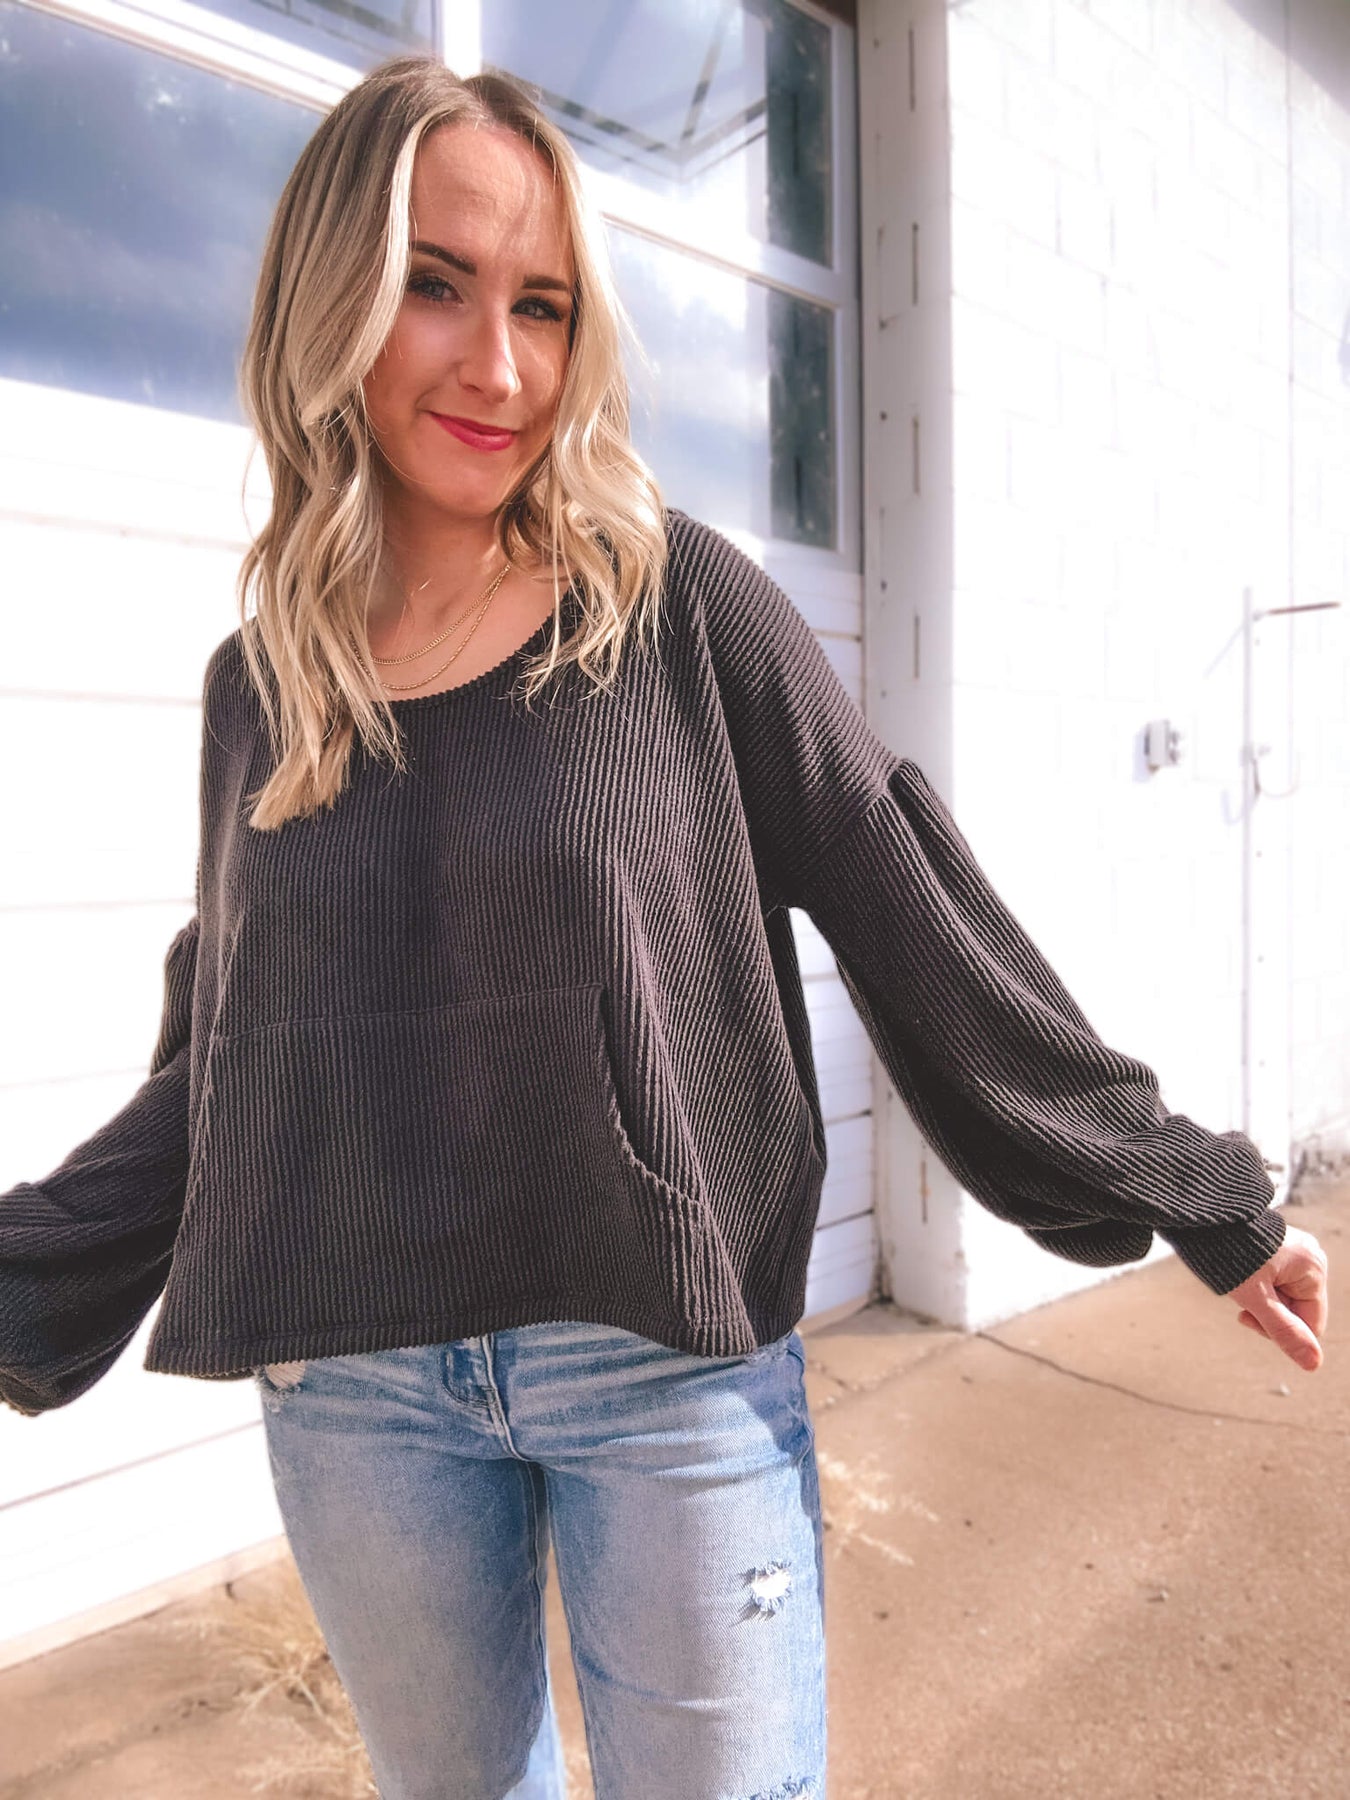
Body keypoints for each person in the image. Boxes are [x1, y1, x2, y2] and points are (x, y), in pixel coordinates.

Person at [0, 52, 1329, 1800]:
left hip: (659, 1366)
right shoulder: (264, 685)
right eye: (435, 284)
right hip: (353, 1392)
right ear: (329, 301)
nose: (499, 366)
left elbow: (904, 902)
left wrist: (1185, 1183)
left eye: (542, 305)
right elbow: (233, 1056)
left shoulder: (676, 609)